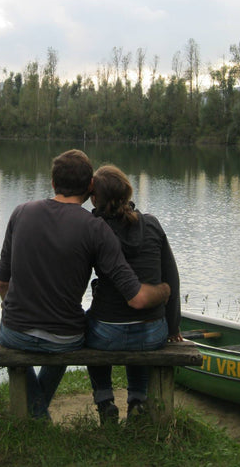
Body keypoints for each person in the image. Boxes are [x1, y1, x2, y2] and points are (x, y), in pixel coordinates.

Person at [0, 149, 171, 419]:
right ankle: (37, 413)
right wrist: (163, 290)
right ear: (90, 187)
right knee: (58, 340)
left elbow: (2, 282)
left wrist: (10, 307)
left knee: (13, 340)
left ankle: (36, 414)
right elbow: (134, 295)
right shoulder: (95, 227)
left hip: (15, 331)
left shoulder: (21, 212)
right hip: (65, 336)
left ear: (53, 182)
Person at [86, 164, 182, 423]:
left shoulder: (93, 228)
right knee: (138, 329)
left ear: (95, 198)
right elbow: (171, 278)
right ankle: (137, 400)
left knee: (86, 326)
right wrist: (172, 328)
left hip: (105, 333)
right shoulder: (151, 224)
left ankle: (105, 401)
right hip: (153, 331)